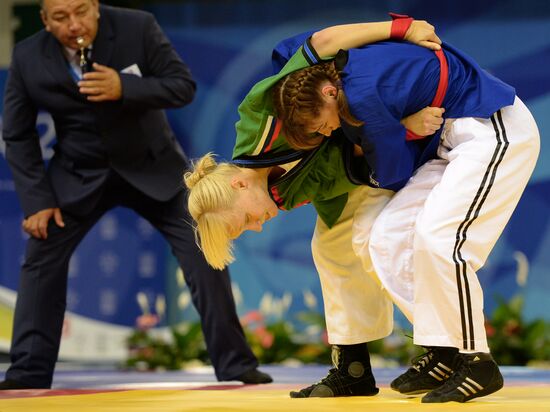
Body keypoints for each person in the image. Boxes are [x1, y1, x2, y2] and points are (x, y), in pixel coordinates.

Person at [0, 0, 271, 390]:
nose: (73, 23)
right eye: (60, 17)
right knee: (40, 258)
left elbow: (182, 86)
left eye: (81, 11)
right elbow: (18, 133)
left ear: (95, 7)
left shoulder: (137, 27)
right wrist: (37, 201)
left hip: (155, 168)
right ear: (44, 20)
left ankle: (236, 365)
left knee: (205, 253)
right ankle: (27, 372)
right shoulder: (28, 56)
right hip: (77, 174)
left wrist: (124, 86)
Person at [269, 13, 540, 403]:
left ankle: (477, 360)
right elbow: (295, 46)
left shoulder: (359, 99)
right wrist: (403, 125)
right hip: (448, 141)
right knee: (386, 237)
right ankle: (445, 351)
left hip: (492, 125)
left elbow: (392, 173)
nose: (326, 133)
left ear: (329, 94)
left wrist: (394, 132)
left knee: (440, 239)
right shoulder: (314, 71)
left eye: (320, 125)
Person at [184, 18, 445, 399]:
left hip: (394, 76)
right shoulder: (282, 195)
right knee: (330, 247)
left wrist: (403, 28)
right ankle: (352, 369)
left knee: (376, 238)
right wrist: (401, 130)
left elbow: (323, 43)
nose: (255, 228)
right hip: (385, 140)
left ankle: (445, 347)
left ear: (238, 183)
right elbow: (352, 166)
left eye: (242, 223)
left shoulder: (258, 118)